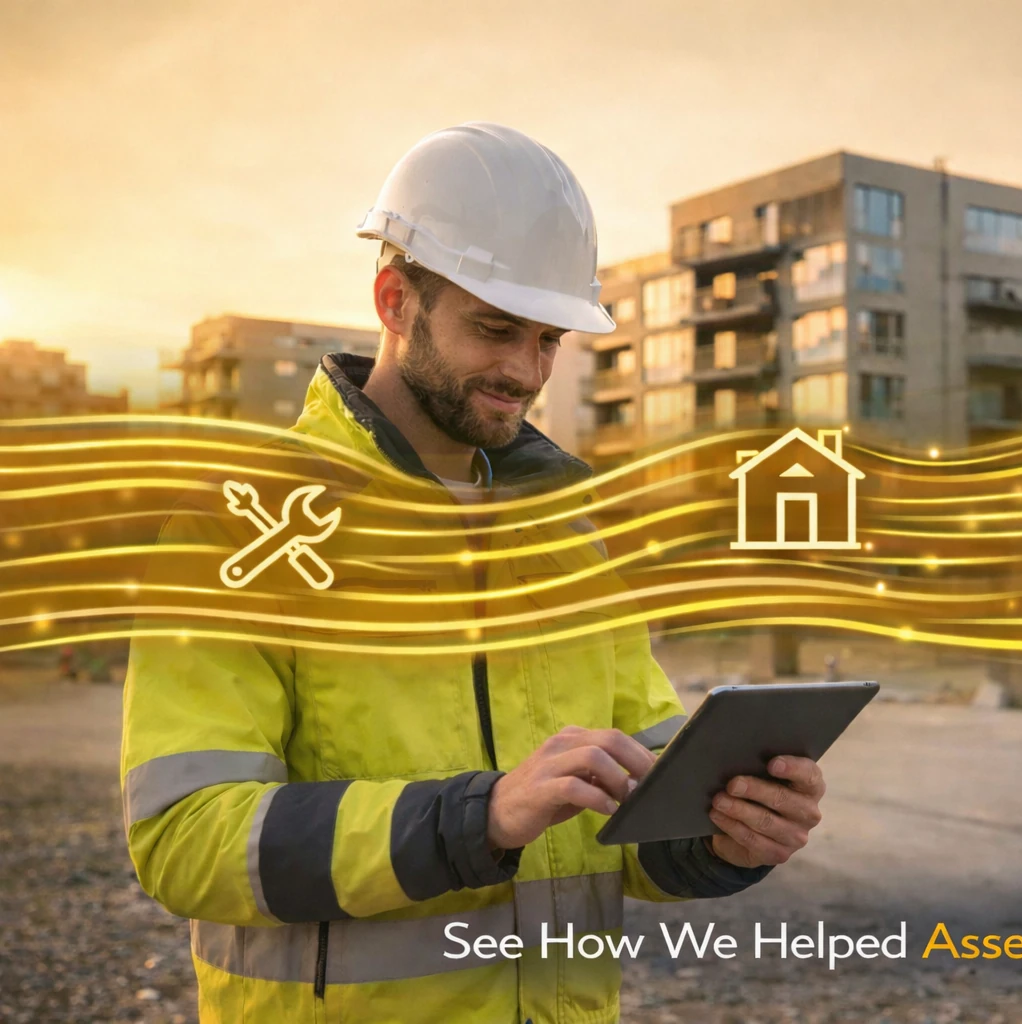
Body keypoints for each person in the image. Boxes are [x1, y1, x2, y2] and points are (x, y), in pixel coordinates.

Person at [121, 123, 827, 1023]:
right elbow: (185, 840)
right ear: (394, 300)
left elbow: (637, 816)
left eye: (548, 340)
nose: (525, 370)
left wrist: (727, 831)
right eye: (495, 329)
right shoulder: (241, 528)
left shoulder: (566, 538)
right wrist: (477, 819)